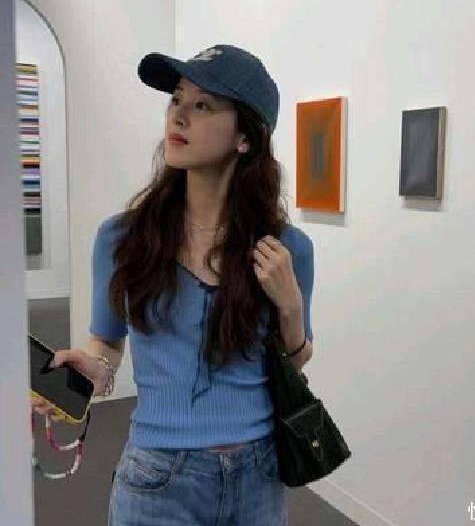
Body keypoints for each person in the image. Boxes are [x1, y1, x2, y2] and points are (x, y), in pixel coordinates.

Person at [31, 44, 315, 525]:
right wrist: (93, 368)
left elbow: (296, 361)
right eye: (177, 99)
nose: (179, 116)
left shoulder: (288, 250)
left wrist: (290, 308)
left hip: (258, 475)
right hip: (159, 476)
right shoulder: (122, 238)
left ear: (246, 137)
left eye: (203, 105)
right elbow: (107, 341)